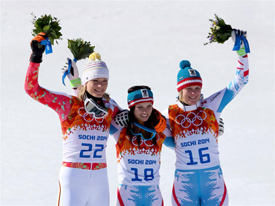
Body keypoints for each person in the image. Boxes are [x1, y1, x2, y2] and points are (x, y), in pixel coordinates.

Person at [25, 33, 121, 206]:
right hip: (73, 179)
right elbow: (32, 90)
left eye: (104, 81)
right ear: (86, 81)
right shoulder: (68, 104)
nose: (100, 86)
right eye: (95, 81)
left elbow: (131, 119)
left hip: (100, 180)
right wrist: (36, 58)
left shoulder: (110, 106)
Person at [162, 30, 249, 206]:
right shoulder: (169, 113)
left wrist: (242, 52)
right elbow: (156, 133)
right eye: (189, 89)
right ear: (180, 90)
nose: (194, 93)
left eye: (197, 88)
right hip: (185, 185)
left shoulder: (212, 105)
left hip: (213, 184)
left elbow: (241, 80)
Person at [110, 86, 172, 206]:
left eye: (149, 106)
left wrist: (216, 128)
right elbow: (104, 109)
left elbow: (178, 145)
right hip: (127, 195)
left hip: (153, 195)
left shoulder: (159, 128)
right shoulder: (121, 128)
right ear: (132, 107)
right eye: (140, 107)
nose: (145, 111)